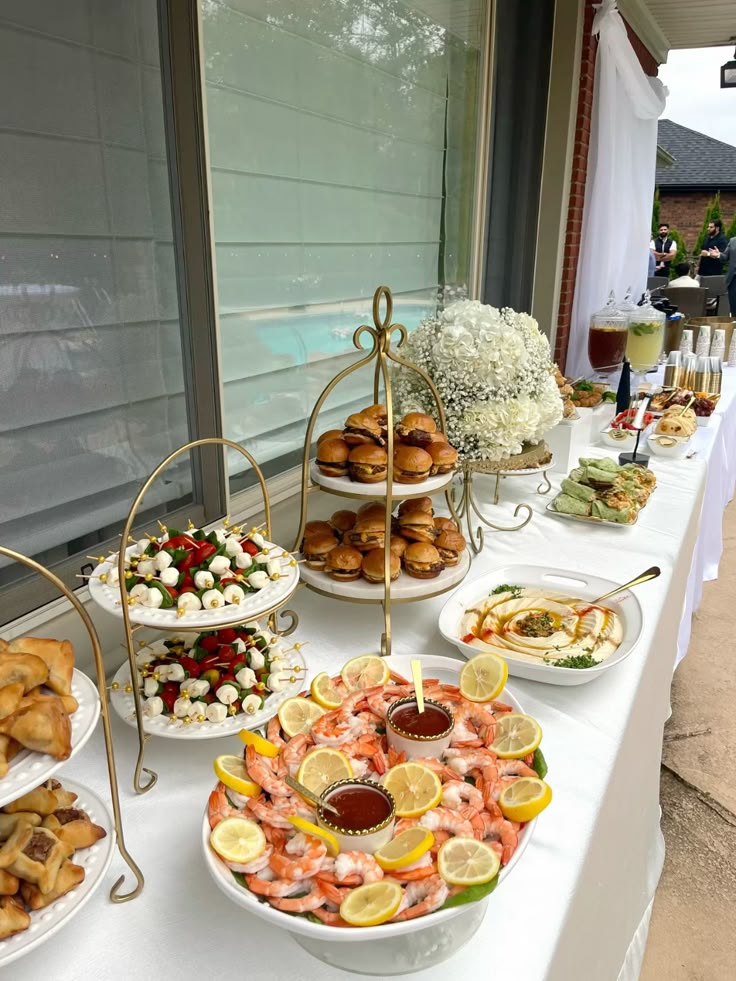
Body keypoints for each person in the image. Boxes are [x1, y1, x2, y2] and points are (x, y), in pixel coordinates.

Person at [713, 237, 736, 314]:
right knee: (734, 309)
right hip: (733, 280)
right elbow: (725, 256)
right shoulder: (733, 241)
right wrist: (719, 254)